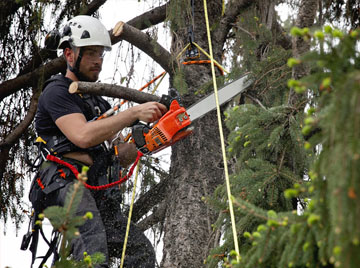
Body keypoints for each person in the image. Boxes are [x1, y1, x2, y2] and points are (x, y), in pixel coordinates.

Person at [29, 15, 167, 268]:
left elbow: (120, 154)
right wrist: (133, 113)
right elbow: (82, 136)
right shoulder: (57, 91)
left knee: (139, 252)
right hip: (64, 183)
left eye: (100, 54)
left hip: (97, 189)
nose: (97, 61)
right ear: (70, 55)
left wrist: (149, 138)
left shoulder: (99, 102)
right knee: (93, 250)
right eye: (90, 53)